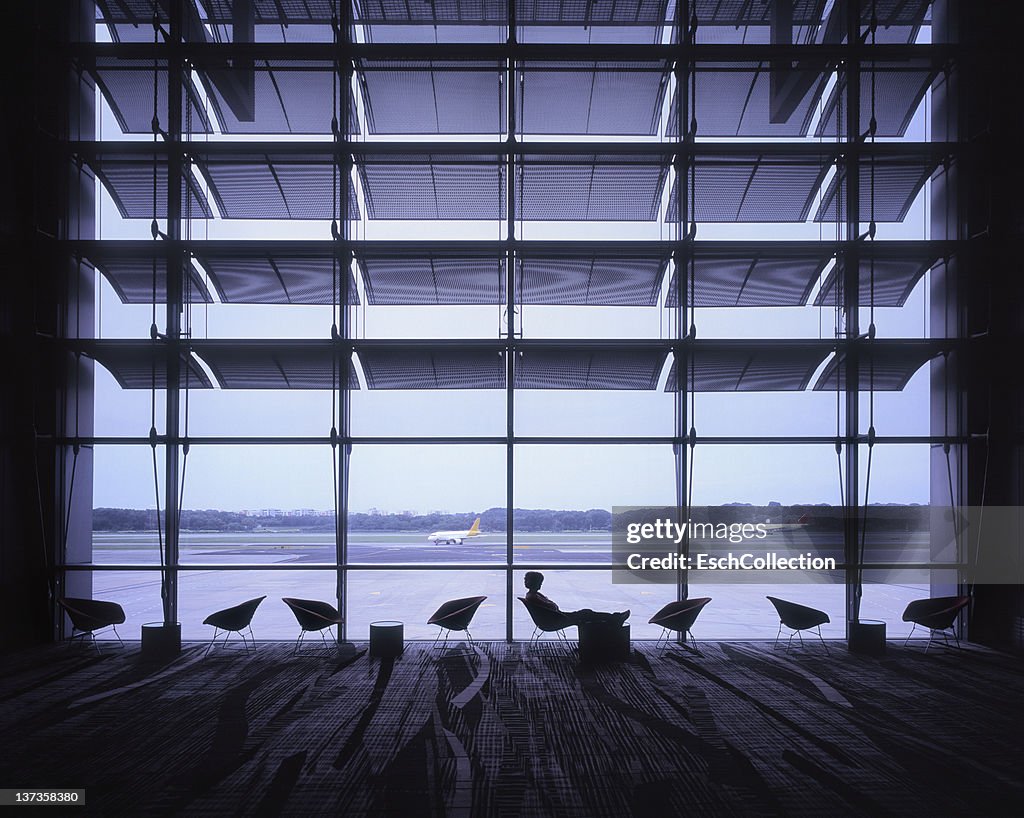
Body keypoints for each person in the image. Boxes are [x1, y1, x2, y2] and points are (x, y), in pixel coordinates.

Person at [523, 571, 629, 626]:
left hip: (556, 617)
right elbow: (552, 606)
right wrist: (552, 603)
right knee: (586, 614)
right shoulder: (533, 597)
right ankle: (615, 618)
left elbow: (552, 606)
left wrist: (552, 605)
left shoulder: (533, 595)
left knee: (586, 613)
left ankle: (615, 618)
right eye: (539, 582)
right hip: (556, 619)